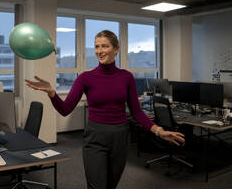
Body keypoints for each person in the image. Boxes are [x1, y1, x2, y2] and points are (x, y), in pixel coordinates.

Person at [25, 30, 185, 189]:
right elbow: (65, 109)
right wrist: (52, 93)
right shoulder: (85, 78)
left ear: (116, 49)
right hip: (95, 137)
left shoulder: (126, 77)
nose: (99, 51)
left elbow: (136, 112)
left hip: (120, 137)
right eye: (96, 47)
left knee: (111, 185)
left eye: (104, 46)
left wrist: (158, 131)